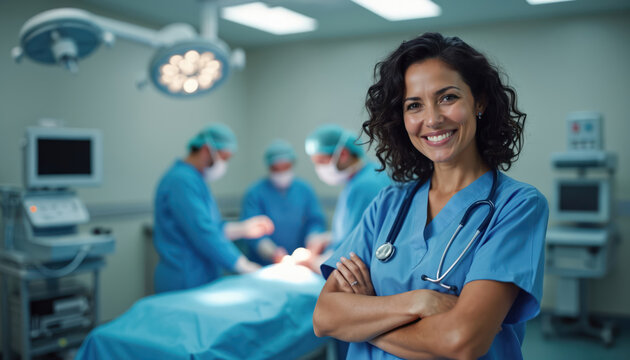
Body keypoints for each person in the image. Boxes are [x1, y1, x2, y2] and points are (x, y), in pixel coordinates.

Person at [312, 32, 548, 360]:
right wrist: (421, 302)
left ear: (478, 101)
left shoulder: (517, 206)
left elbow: (461, 341)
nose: (432, 119)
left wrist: (365, 319)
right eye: (414, 105)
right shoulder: (388, 206)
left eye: (447, 97)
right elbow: (325, 318)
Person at [153, 123, 274, 294]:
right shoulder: (181, 181)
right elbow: (203, 232)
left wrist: (243, 229)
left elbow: (210, 226)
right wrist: (243, 265)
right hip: (184, 278)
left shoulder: (195, 179)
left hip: (199, 275)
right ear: (206, 150)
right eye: (224, 157)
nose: (224, 164)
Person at [304, 124, 392, 258]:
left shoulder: (364, 186)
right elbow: (357, 231)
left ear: (343, 154)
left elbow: (354, 251)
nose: (318, 168)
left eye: (321, 161)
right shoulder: (367, 174)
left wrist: (312, 262)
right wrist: (330, 239)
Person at [240, 139, 328, 265]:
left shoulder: (304, 190)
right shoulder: (255, 193)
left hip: (300, 263)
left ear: (292, 164)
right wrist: (272, 253)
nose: (281, 172)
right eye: (276, 168)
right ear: (269, 167)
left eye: (285, 167)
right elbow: (252, 232)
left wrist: (313, 241)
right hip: (263, 264)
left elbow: (315, 221)